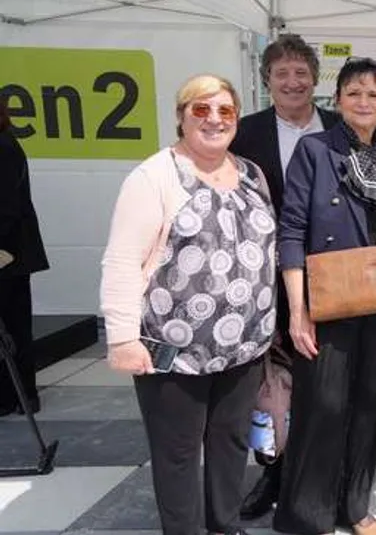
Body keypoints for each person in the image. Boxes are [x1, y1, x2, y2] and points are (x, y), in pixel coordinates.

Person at [101, 74, 274, 535]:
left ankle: (225, 524)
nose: (214, 120)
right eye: (201, 110)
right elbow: (121, 260)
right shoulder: (154, 176)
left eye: (225, 111)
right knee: (177, 453)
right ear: (181, 116)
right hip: (174, 352)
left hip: (245, 347)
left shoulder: (252, 174)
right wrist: (121, 338)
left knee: (230, 443)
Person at [272, 57, 376, 535]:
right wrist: (297, 312)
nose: (364, 102)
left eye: (373, 94)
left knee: (368, 407)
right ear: (339, 100)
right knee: (322, 408)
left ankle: (355, 506)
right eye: (354, 93)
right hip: (327, 299)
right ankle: (308, 516)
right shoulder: (315, 150)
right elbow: (291, 232)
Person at [229, 33, 341, 522]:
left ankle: (320, 479)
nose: (293, 82)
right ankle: (272, 475)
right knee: (270, 385)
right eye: (282, 73)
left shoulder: (341, 127)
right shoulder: (245, 133)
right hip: (266, 279)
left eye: (301, 72)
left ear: (316, 78)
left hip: (335, 278)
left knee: (326, 385)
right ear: (267, 81)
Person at [0, 103, 49, 417]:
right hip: (11, 252)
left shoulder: (3, 147)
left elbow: (7, 207)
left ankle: (17, 396)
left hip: (7, 254)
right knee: (14, 325)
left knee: (13, 327)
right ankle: (17, 396)